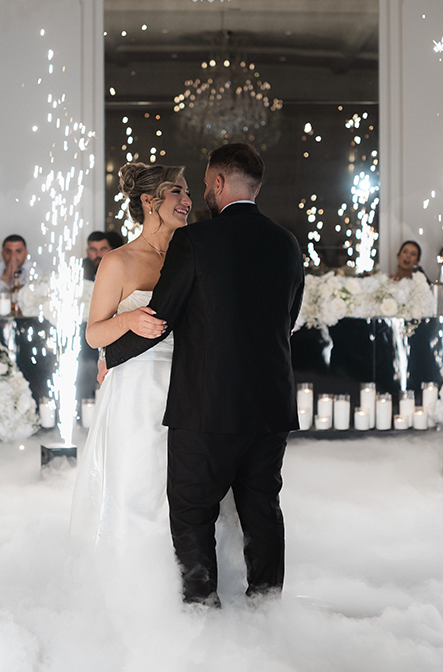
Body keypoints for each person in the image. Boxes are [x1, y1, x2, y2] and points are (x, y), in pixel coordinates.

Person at [103, 143, 305, 606]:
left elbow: (163, 316)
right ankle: (265, 608)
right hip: (271, 404)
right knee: (262, 509)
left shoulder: (197, 241)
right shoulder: (286, 242)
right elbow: (288, 318)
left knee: (193, 512)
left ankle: (202, 610)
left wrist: (112, 356)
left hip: (206, 404)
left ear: (217, 183)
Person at [69, 163, 191, 635]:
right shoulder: (117, 262)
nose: (186, 200)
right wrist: (129, 322)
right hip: (137, 391)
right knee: (139, 489)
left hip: (187, 386)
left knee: (182, 492)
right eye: (176, 192)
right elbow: (94, 332)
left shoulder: (190, 252)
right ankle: (134, 600)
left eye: (186, 191)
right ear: (149, 201)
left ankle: (182, 592)